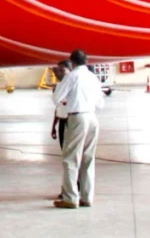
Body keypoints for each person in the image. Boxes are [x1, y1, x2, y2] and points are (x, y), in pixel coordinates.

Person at [52, 49, 104, 209]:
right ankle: (87, 197)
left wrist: (67, 101)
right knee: (88, 158)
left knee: (70, 159)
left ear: (72, 62)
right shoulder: (93, 77)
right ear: (86, 61)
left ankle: (70, 198)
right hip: (93, 117)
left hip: (77, 117)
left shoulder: (72, 76)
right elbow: (101, 103)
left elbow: (56, 98)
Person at [51, 60, 73, 148]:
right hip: (63, 121)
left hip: (73, 119)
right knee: (64, 148)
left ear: (70, 70)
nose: (58, 73)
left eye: (62, 70)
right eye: (57, 70)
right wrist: (53, 126)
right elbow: (58, 108)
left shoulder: (74, 85)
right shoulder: (58, 87)